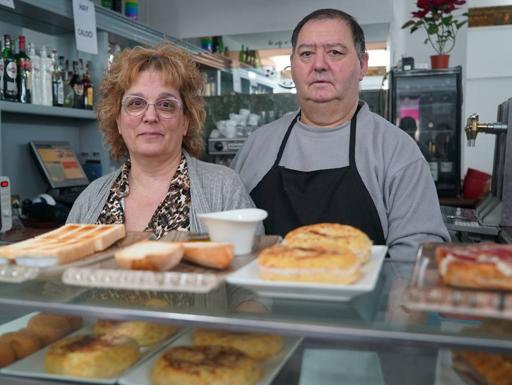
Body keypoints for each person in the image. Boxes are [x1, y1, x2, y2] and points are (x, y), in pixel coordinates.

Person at [231, 9, 449, 260]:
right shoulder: (257, 145)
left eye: (335, 52)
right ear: (292, 67)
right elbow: (228, 237)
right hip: (261, 298)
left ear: (362, 64)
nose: (319, 65)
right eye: (306, 54)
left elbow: (417, 255)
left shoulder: (396, 150)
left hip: (368, 299)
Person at [67, 44, 257, 238]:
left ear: (185, 121)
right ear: (118, 122)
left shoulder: (224, 188)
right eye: (136, 103)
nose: (150, 116)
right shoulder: (90, 199)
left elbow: (253, 263)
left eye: (166, 105)